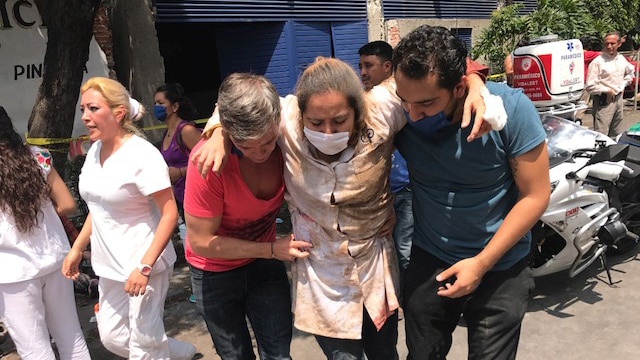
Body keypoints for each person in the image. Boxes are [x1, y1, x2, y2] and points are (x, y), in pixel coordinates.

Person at [195, 56, 503, 359]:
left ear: (358, 109)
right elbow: (239, 104)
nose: (327, 132)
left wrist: (475, 83)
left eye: (340, 120)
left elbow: (437, 63)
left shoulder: (382, 110)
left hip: (373, 263)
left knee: (384, 351)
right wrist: (217, 132)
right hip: (321, 270)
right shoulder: (285, 120)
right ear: (301, 114)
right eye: (315, 122)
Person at [392, 25, 550, 359]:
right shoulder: (400, 113)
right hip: (431, 256)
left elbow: (535, 195)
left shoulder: (510, 110)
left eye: (427, 103)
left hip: (501, 262)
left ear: (460, 87)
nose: (413, 114)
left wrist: (480, 264)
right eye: (404, 101)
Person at [61, 77, 196, 360]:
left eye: (93, 109)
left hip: (144, 263)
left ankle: (160, 351)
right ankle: (181, 352)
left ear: (118, 113)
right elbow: (97, 208)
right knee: (112, 336)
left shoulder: (142, 155)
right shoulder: (95, 150)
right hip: (108, 265)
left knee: (144, 344)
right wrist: (76, 249)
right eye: (83, 109)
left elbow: (170, 213)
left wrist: (145, 267)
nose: (85, 117)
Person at [184, 73, 311, 359]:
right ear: (230, 132)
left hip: (263, 266)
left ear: (277, 121)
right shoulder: (209, 162)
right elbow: (202, 242)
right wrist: (270, 249)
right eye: (246, 147)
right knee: (236, 356)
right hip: (215, 272)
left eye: (266, 142)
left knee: (278, 353)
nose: (259, 153)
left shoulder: (286, 141)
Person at [0, 106, 91, 360]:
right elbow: (68, 205)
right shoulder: (38, 156)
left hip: (12, 272)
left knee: (34, 348)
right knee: (70, 336)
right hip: (55, 259)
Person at [359, 40, 413, 299]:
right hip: (381, 195)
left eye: (369, 65)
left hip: (405, 187)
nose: (363, 72)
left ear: (387, 66)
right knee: (385, 248)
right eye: (360, 66)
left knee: (404, 248)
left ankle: (408, 301)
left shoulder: (403, 98)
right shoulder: (366, 103)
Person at [154, 83, 201, 221]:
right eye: (155, 103)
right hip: (183, 200)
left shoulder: (186, 131)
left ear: (174, 107)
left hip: (198, 198)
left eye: (161, 103)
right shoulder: (167, 134)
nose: (156, 107)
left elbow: (208, 160)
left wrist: (180, 172)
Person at [586, 31, 634, 137]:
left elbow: (630, 73)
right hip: (604, 102)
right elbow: (590, 86)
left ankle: (615, 153)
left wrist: (622, 85)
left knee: (617, 133)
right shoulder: (598, 62)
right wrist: (607, 91)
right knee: (602, 134)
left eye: (612, 44)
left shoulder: (620, 59)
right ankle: (603, 153)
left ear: (619, 44)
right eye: (606, 43)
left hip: (618, 99)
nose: (609, 46)